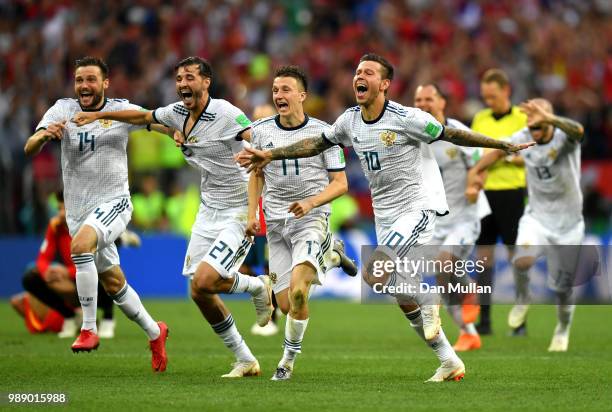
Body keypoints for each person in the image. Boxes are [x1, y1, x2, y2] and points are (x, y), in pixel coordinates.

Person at [236, 53, 533, 382]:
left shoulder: (406, 118)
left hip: (415, 209)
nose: (359, 76)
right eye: (357, 71)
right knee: (398, 294)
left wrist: (501, 145)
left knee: (375, 270)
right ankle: (449, 360)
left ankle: (428, 296)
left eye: (368, 72)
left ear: (385, 84)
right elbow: (315, 143)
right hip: (386, 217)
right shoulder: (349, 121)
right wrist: (270, 153)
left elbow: (451, 134)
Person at [72, 56, 273, 378]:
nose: (182, 83)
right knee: (198, 290)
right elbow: (142, 117)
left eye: (190, 77)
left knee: (207, 279)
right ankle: (246, 359)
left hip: (238, 209)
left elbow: (261, 147)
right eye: (179, 78)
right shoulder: (177, 114)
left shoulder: (226, 113)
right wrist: (101, 114)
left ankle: (258, 286)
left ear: (206, 82)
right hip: (209, 210)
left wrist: (254, 208)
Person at [24, 56, 169, 372]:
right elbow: (30, 147)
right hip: (78, 211)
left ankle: (88, 328)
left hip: (114, 202)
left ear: (105, 83)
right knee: (114, 283)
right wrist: (45, 135)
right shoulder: (63, 110)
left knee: (79, 248)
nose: (84, 86)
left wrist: (179, 135)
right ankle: (156, 333)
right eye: (79, 80)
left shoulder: (118, 109)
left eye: (91, 79)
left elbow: (152, 120)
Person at [248, 66, 357, 380]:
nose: (279, 95)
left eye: (285, 89)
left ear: (302, 95)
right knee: (285, 305)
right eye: (275, 90)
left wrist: (310, 202)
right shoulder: (261, 131)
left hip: (310, 218)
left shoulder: (325, 134)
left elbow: (341, 184)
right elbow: (256, 175)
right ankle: (333, 256)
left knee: (298, 294)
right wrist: (251, 214)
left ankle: (287, 362)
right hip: (276, 224)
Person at [467, 98, 585, 351]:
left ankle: (562, 329)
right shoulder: (524, 135)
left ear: (551, 121)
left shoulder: (565, 138)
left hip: (569, 223)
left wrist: (550, 118)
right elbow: (499, 151)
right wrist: (476, 171)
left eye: (541, 126)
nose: (535, 132)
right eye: (532, 127)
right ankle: (523, 298)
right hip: (537, 216)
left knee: (563, 288)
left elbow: (579, 131)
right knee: (521, 260)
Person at [414, 84, 490, 351]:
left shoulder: (458, 133)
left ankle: (470, 294)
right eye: (418, 100)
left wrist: (475, 184)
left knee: (446, 262)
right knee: (440, 274)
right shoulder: (414, 137)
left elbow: (483, 164)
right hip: (435, 220)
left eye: (429, 99)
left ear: (442, 103)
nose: (423, 104)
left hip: (464, 216)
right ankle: (467, 332)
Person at [470, 69, 528, 335]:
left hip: (512, 192)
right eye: (485, 97)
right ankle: (485, 320)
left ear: (506, 91)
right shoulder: (480, 118)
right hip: (485, 195)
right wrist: (502, 155)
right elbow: (474, 155)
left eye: (492, 96)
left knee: (516, 257)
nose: (488, 101)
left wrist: (494, 157)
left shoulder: (522, 119)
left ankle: (519, 321)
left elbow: (530, 156)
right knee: (484, 258)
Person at [12, 191, 115, 338]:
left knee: (105, 271)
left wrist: (66, 272)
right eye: (59, 208)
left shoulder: (90, 227)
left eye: (64, 209)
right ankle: (70, 316)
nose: (60, 213)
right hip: (71, 277)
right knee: (30, 278)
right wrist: (47, 272)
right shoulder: (55, 227)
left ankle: (108, 317)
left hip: (88, 273)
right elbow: (42, 259)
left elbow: (95, 262)